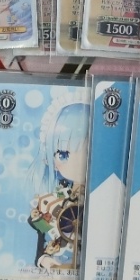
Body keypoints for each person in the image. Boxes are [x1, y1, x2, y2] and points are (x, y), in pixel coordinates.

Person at [29, 99, 88, 270]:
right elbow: (42, 235)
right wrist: (44, 259)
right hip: (60, 265)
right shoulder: (53, 200)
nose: (78, 163)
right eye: (63, 154)